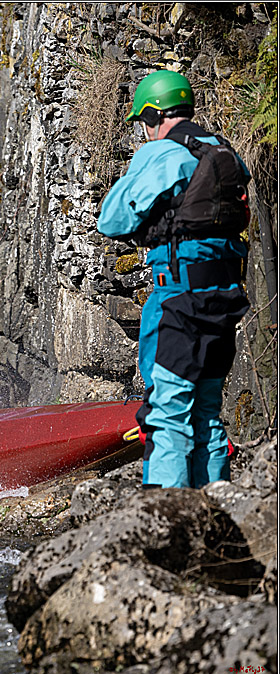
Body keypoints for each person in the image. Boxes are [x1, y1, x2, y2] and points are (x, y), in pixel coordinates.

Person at [96, 69, 251, 489]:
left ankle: (166, 514)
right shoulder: (223, 151)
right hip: (225, 297)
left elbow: (111, 219)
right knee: (206, 413)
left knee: (167, 414)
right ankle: (215, 507)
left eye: (143, 123)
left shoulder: (163, 153)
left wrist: (141, 171)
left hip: (179, 300)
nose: (144, 132)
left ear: (153, 114)